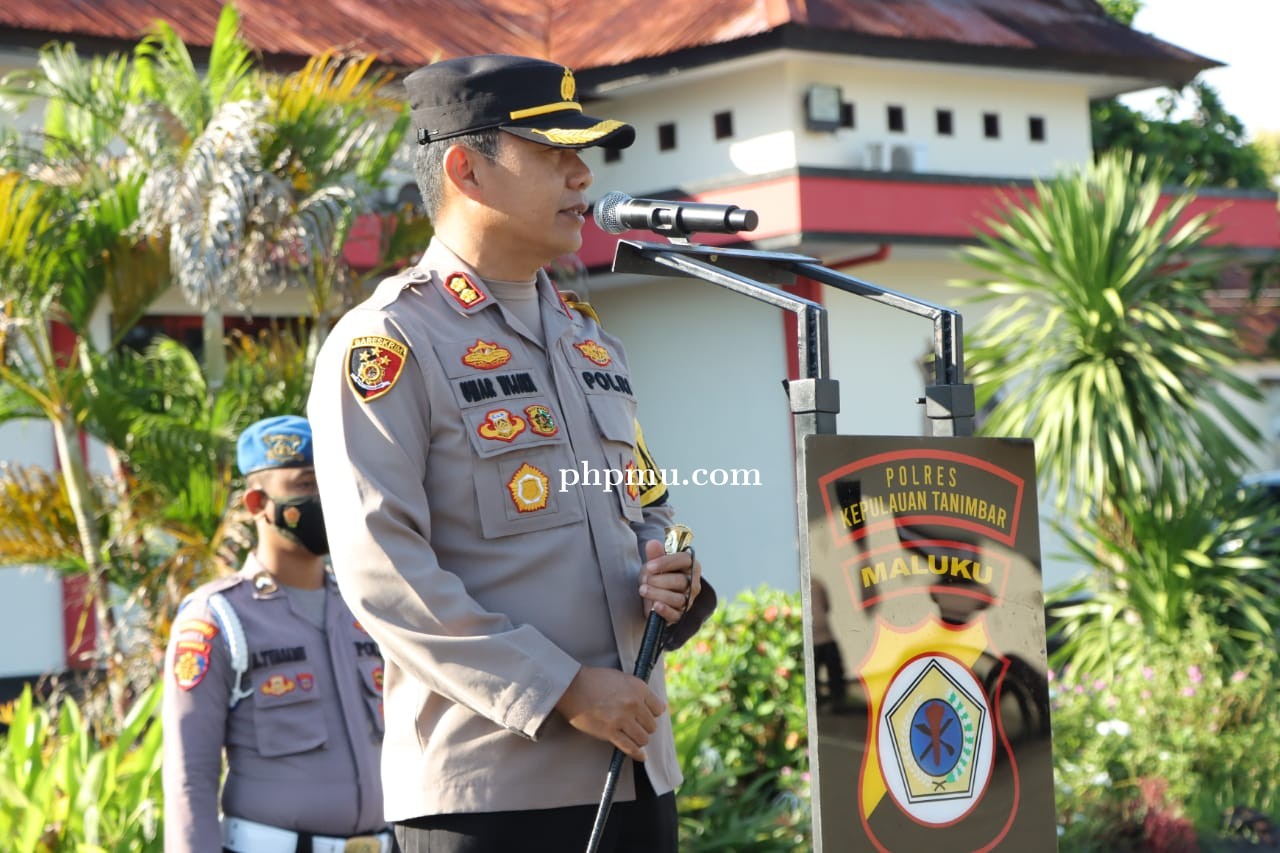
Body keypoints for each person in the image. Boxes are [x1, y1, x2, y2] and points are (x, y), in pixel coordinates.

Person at [306, 53, 716, 853]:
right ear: (467, 168)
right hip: (488, 796)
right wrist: (561, 688)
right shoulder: (390, 341)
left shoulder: (591, 340)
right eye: (554, 152)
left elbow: (648, 507)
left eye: (583, 153)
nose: (582, 175)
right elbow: (380, 569)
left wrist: (668, 565)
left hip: (635, 772)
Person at [162, 415, 393, 853]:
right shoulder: (218, 618)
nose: (323, 497)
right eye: (306, 484)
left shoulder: (365, 605)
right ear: (256, 502)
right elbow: (189, 777)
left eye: (329, 480)